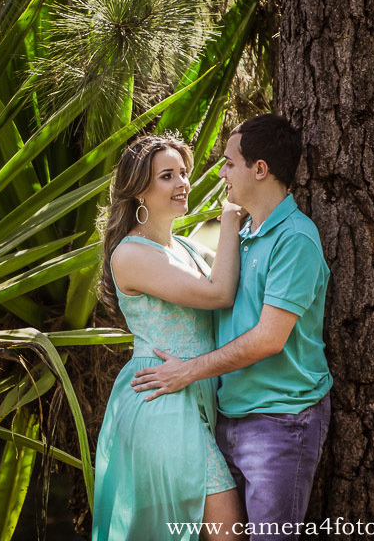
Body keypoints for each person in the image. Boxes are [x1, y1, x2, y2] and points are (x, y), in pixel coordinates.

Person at [130, 115, 332, 541]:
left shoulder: (295, 239)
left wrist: (187, 370)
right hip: (230, 416)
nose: (220, 172)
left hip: (280, 420)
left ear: (259, 169)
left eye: (228, 163)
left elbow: (268, 339)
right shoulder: (242, 239)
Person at [92, 135, 246, 541]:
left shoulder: (185, 248)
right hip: (161, 399)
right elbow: (220, 293)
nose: (182, 183)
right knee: (225, 528)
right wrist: (230, 219)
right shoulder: (131, 254)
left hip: (193, 389)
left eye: (183, 173)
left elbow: (239, 273)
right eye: (167, 176)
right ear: (140, 189)